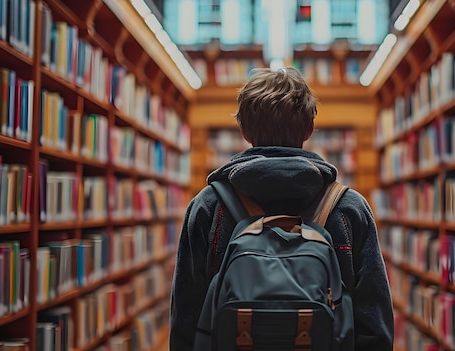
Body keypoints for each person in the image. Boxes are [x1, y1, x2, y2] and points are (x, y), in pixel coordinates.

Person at [169, 66, 394, 351]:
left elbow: (186, 320)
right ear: (310, 129)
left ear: (243, 129)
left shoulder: (208, 207)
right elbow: (375, 324)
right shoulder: (349, 209)